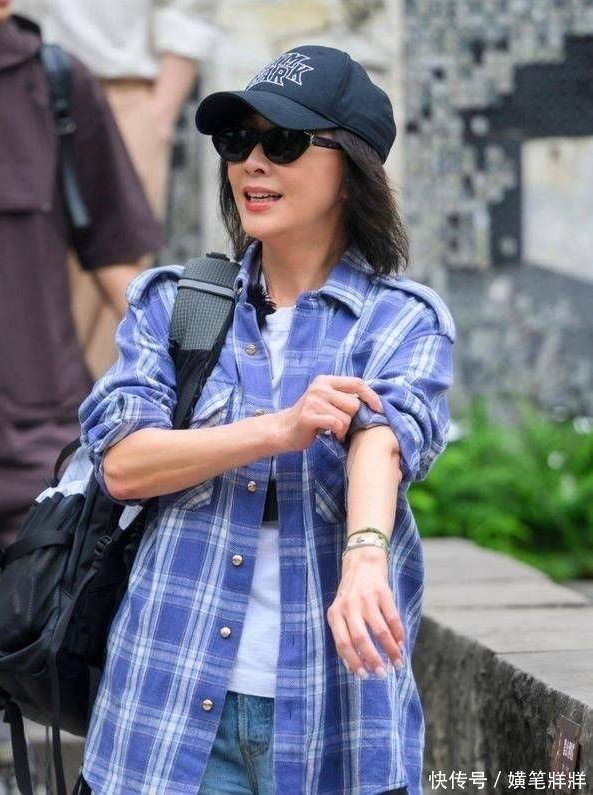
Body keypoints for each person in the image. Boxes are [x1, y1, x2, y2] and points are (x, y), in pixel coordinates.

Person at [77, 45, 457, 795]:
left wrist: (366, 557)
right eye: (236, 141)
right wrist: (279, 429)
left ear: (351, 168)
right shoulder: (172, 304)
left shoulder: (401, 319)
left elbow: (383, 435)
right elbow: (122, 463)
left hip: (332, 718)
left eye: (281, 142)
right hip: (165, 712)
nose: (252, 163)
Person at [0, 2, 162, 793]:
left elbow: (120, 256)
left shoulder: (57, 81)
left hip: (44, 431)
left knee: (96, 637)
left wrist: (187, 369)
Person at [12, 0, 219, 378]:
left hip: (119, 88)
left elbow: (188, 11)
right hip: (9, 86)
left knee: (114, 266)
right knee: (15, 256)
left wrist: (159, 116)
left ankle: (90, 408)